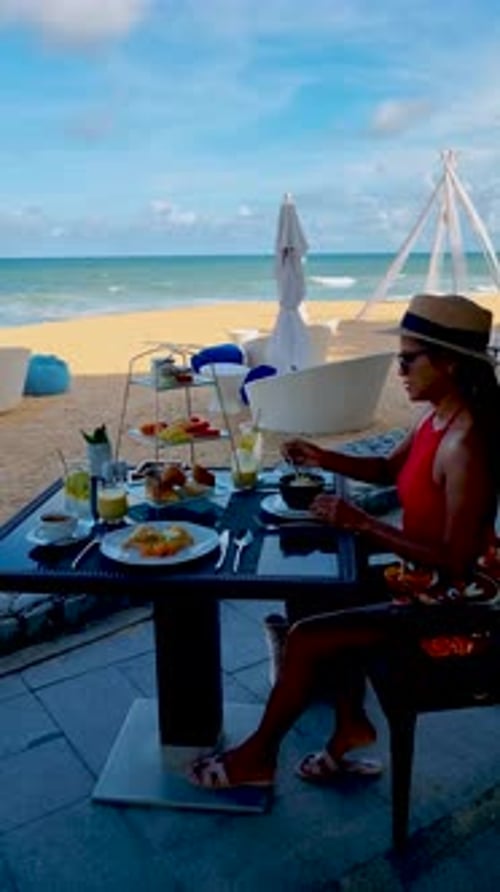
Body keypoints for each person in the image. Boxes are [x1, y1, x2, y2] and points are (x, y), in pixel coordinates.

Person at [189, 293, 500, 790]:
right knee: (320, 594)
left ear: (448, 363)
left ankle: (257, 758)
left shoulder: (466, 445)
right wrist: (321, 457)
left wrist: (362, 523)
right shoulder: (434, 415)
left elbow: (458, 561)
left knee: (309, 635)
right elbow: (384, 469)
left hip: (457, 601)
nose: (399, 369)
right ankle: (349, 725)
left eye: (407, 358)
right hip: (420, 576)